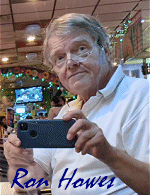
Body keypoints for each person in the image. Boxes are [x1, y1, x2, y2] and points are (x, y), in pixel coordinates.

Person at [3, 13, 149, 194]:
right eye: (59, 58)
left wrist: (108, 154)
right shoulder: (67, 111)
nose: (70, 62)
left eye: (81, 49)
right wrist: (19, 163)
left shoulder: (142, 95)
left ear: (106, 49)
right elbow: (28, 183)